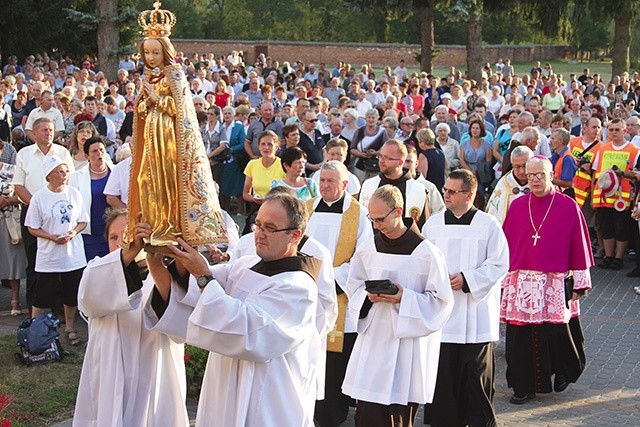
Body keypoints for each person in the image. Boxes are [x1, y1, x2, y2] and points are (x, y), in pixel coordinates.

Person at [145, 191, 324, 426]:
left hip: (267, 402)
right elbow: (194, 294)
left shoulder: (298, 288)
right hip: (224, 390)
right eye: (257, 225)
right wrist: (164, 254)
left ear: (295, 235)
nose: (259, 234)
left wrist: (201, 274)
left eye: (270, 228)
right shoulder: (244, 265)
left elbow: (248, 333)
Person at [342, 185, 454, 427]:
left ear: (399, 211)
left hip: (405, 349)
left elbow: (442, 302)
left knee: (396, 415)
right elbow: (354, 287)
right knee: (367, 413)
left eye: (380, 219)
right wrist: (367, 297)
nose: (375, 225)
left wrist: (405, 298)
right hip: (373, 342)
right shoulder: (367, 248)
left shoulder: (426, 252)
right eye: (371, 219)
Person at [73, 209, 189, 427]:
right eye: (113, 238)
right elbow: (87, 299)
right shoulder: (97, 270)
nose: (120, 243)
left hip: (155, 374)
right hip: (109, 375)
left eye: (126, 236)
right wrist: (128, 253)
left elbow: (180, 322)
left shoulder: (167, 273)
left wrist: (156, 266)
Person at [127, 3, 226, 249]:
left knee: (168, 180)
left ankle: (169, 225)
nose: (150, 58)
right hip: (152, 134)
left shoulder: (175, 74)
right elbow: (140, 110)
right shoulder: (148, 77)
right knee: (145, 178)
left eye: (155, 53)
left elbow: (182, 110)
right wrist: (143, 103)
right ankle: (153, 224)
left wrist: (157, 100)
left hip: (169, 137)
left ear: (165, 52)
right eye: (147, 53)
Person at [501, 156, 594, 404]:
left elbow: (580, 246)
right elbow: (506, 246)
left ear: (551, 175)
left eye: (540, 174)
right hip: (522, 280)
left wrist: (581, 282)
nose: (535, 180)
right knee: (519, 336)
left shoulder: (567, 205)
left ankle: (565, 369)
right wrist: (500, 281)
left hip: (555, 279)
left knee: (557, 331)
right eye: (530, 175)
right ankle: (522, 385)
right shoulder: (519, 206)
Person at [422, 169, 510, 427]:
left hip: (475, 316)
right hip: (444, 316)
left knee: (476, 378)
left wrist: (468, 279)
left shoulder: (488, 224)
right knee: (443, 379)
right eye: (445, 190)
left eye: (451, 191)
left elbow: (499, 264)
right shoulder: (433, 224)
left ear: (469, 194)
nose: (445, 195)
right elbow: (422, 262)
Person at [305, 161, 373, 427]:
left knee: (335, 360)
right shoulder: (306, 209)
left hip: (340, 294)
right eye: (322, 180)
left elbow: (364, 256)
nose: (324, 186)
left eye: (331, 181)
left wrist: (332, 282)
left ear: (345, 184)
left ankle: (334, 412)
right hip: (308, 293)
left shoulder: (359, 215)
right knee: (312, 351)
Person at [25, 155, 88, 346]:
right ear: (49, 175)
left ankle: (69, 328)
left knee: (71, 294)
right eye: (60, 172)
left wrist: (73, 232)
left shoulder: (74, 194)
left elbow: (83, 221)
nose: (65, 175)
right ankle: (34, 332)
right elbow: (32, 227)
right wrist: (51, 237)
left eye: (66, 171)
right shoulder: (39, 198)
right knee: (42, 296)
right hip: (49, 257)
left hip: (72, 255)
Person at [13, 117, 75, 310]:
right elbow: (18, 185)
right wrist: (39, 206)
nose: (48, 133)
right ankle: (35, 309)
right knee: (34, 262)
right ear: (34, 132)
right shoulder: (24, 154)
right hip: (32, 214)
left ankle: (59, 310)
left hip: (60, 214)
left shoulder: (63, 152)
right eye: (44, 130)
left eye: (50, 130)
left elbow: (71, 181)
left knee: (61, 262)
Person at [591, 118, 640, 270]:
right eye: (610, 129)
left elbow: (636, 174)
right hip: (604, 196)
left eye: (617, 130)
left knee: (622, 229)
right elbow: (595, 173)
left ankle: (618, 258)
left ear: (625, 131)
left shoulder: (634, 150)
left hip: (623, 197)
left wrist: (623, 174)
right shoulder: (603, 149)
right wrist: (593, 195)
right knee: (606, 228)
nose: (613, 133)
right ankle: (609, 256)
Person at [359, 139, 430, 227]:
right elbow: (361, 221)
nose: (381, 161)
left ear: (400, 163)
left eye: (387, 158)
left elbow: (423, 226)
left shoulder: (417, 189)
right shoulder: (369, 185)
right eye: (380, 156)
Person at [69, 136, 113, 261]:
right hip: (90, 234)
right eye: (94, 151)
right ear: (87, 156)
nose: (99, 154)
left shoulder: (116, 172)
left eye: (102, 150)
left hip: (114, 232)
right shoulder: (76, 177)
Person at [0, 140, 27, 316]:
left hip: (9, 219)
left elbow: (24, 191)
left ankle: (15, 301)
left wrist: (9, 199)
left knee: (12, 260)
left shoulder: (13, 169)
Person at [486, 146, 533, 223]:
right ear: (512, 165)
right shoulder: (504, 184)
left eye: (525, 166)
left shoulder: (539, 182)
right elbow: (495, 215)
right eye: (517, 167)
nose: (522, 171)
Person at [416, 128, 447, 192]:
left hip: (429, 188)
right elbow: (447, 166)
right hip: (440, 186)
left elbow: (422, 175)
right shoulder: (440, 152)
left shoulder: (424, 155)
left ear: (423, 141)